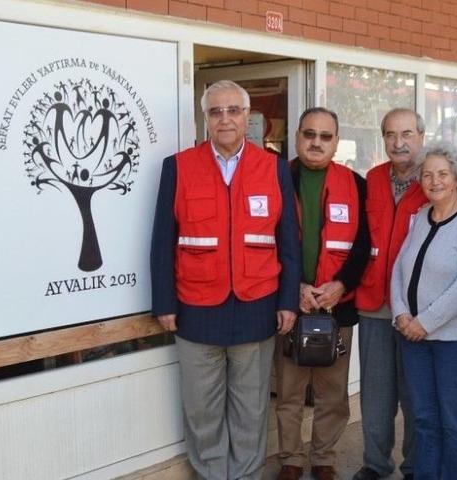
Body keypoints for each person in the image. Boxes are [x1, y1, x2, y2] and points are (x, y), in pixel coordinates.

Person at [150, 80, 300, 480]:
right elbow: (163, 240)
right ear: (205, 118)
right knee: (202, 410)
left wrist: (288, 300)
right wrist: (164, 302)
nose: (225, 119)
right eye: (216, 111)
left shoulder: (273, 167)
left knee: (251, 409)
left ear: (247, 116)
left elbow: (288, 240)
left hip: (256, 306)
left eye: (234, 110)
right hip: (195, 309)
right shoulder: (179, 166)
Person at [275, 108, 370, 480]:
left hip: (336, 306)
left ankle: (323, 459)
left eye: (325, 136)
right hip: (291, 305)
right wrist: (294, 287)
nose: (316, 142)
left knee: (333, 393)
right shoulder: (277, 176)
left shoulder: (356, 184)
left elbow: (364, 244)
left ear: (336, 141)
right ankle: (291, 459)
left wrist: (341, 284)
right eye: (309, 134)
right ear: (297, 136)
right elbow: (266, 240)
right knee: (289, 391)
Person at [391, 140, 457, 480]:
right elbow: (400, 267)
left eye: (443, 174)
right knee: (424, 420)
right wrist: (400, 313)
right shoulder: (422, 216)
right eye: (428, 175)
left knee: (454, 423)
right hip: (414, 338)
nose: (435, 181)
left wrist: (425, 322)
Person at [352, 108, 426, 480]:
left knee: (414, 395)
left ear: (421, 137)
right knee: (375, 393)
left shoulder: (434, 179)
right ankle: (376, 463)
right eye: (391, 135)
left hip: (415, 310)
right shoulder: (373, 178)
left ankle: (414, 466)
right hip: (374, 304)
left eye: (407, 134)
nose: (399, 143)